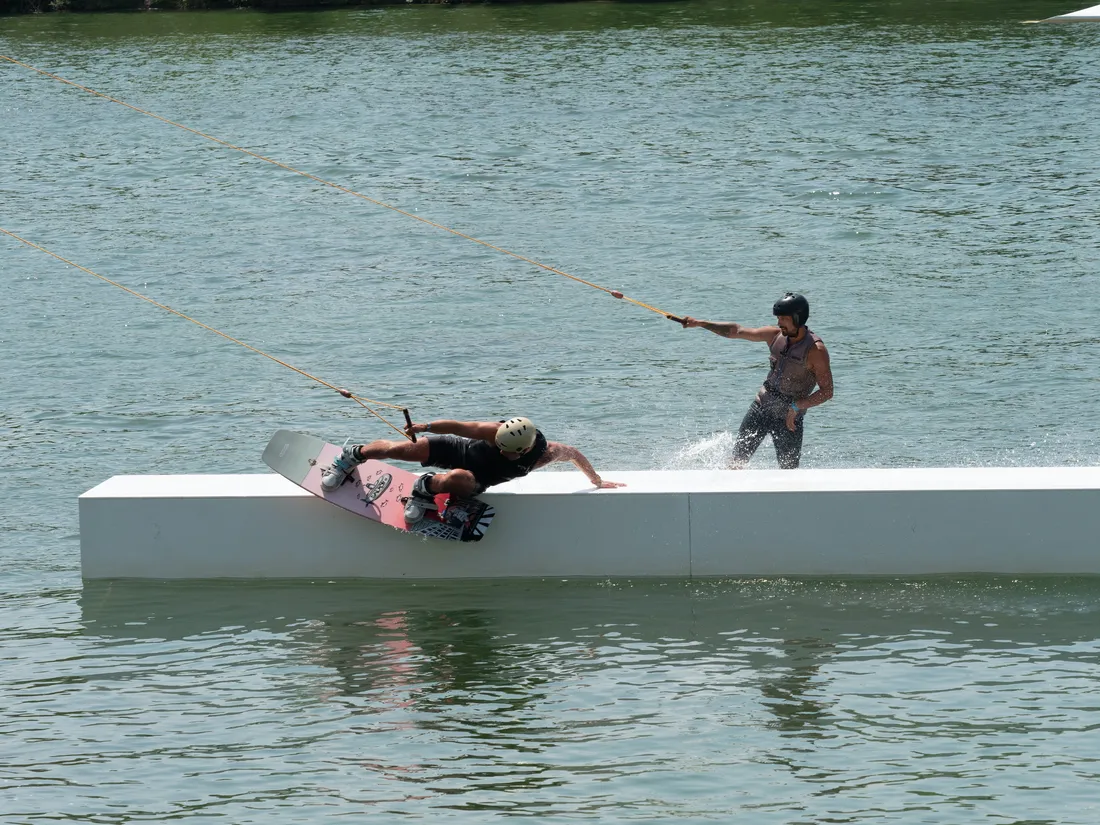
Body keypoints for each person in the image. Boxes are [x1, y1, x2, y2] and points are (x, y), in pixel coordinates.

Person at [320, 417, 625, 521]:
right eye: (498, 443)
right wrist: (426, 426)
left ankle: (424, 489)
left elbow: (574, 453)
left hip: (476, 478)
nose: (499, 447)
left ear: (525, 450)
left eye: (505, 450)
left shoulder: (544, 454)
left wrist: (596, 481)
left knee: (458, 479)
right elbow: (461, 426)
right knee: (402, 449)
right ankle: (352, 455)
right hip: (459, 450)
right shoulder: (495, 431)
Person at [678, 292, 833, 469]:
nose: (778, 323)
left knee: (789, 472)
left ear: (797, 318)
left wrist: (798, 406)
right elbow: (737, 331)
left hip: (790, 417)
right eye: (778, 318)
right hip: (761, 407)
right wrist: (700, 323)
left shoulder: (816, 351)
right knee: (736, 463)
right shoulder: (775, 336)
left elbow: (827, 391)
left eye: (783, 318)